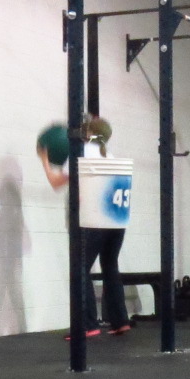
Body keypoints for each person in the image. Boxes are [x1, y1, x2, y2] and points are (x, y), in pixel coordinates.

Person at [38, 115, 130, 337]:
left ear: (87, 133)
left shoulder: (81, 153)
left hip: (93, 220)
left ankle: (88, 325)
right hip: (116, 223)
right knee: (110, 266)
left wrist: (45, 159)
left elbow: (56, 183)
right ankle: (120, 321)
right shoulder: (108, 155)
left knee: (80, 269)